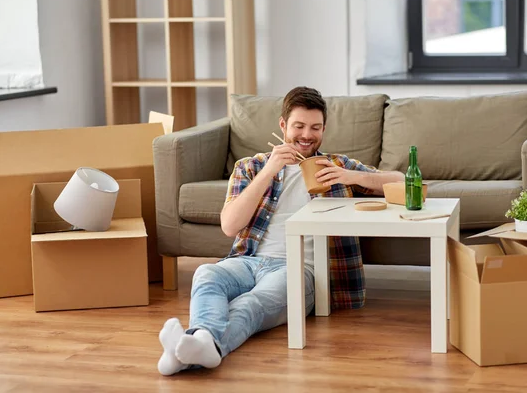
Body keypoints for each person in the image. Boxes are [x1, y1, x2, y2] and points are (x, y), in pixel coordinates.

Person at [157, 86, 404, 376]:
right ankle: (198, 345)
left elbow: (400, 180)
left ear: (324, 128)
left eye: (315, 127)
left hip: (301, 269)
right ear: (283, 125)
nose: (306, 135)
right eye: (299, 126)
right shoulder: (251, 166)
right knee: (206, 274)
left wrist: (351, 176)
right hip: (247, 261)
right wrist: (269, 171)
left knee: (252, 302)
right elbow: (229, 226)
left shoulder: (336, 165)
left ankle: (194, 347)